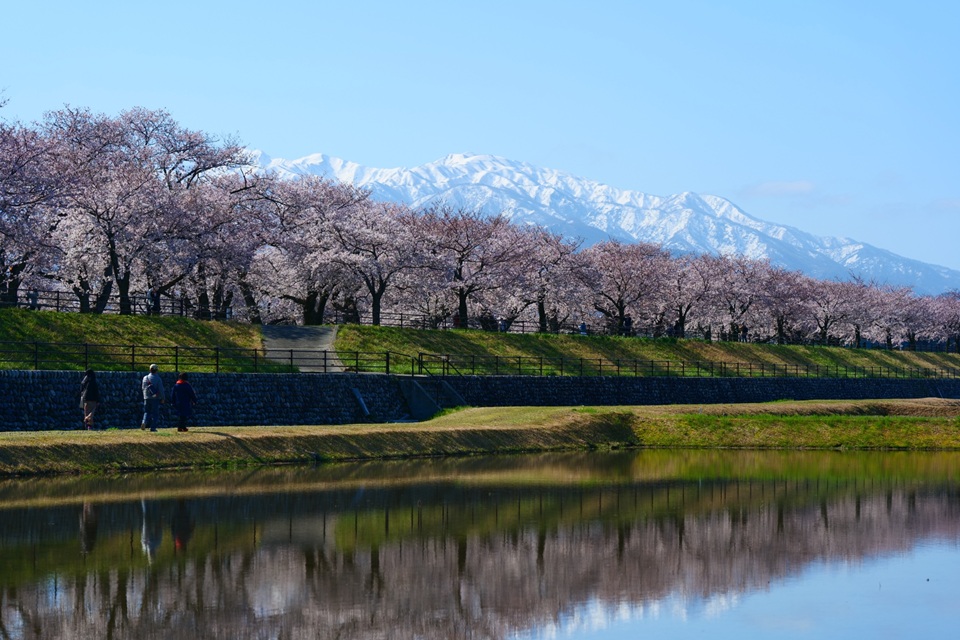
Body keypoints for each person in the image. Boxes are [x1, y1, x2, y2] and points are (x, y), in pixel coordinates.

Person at [140, 364, 165, 432]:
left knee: (146, 412)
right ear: (156, 370)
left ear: (150, 370)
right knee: (155, 413)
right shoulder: (158, 378)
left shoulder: (145, 378)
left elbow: (143, 388)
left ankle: (144, 422)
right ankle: (153, 428)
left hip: (146, 397)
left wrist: (145, 395)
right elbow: (161, 389)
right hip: (155, 398)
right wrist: (163, 398)